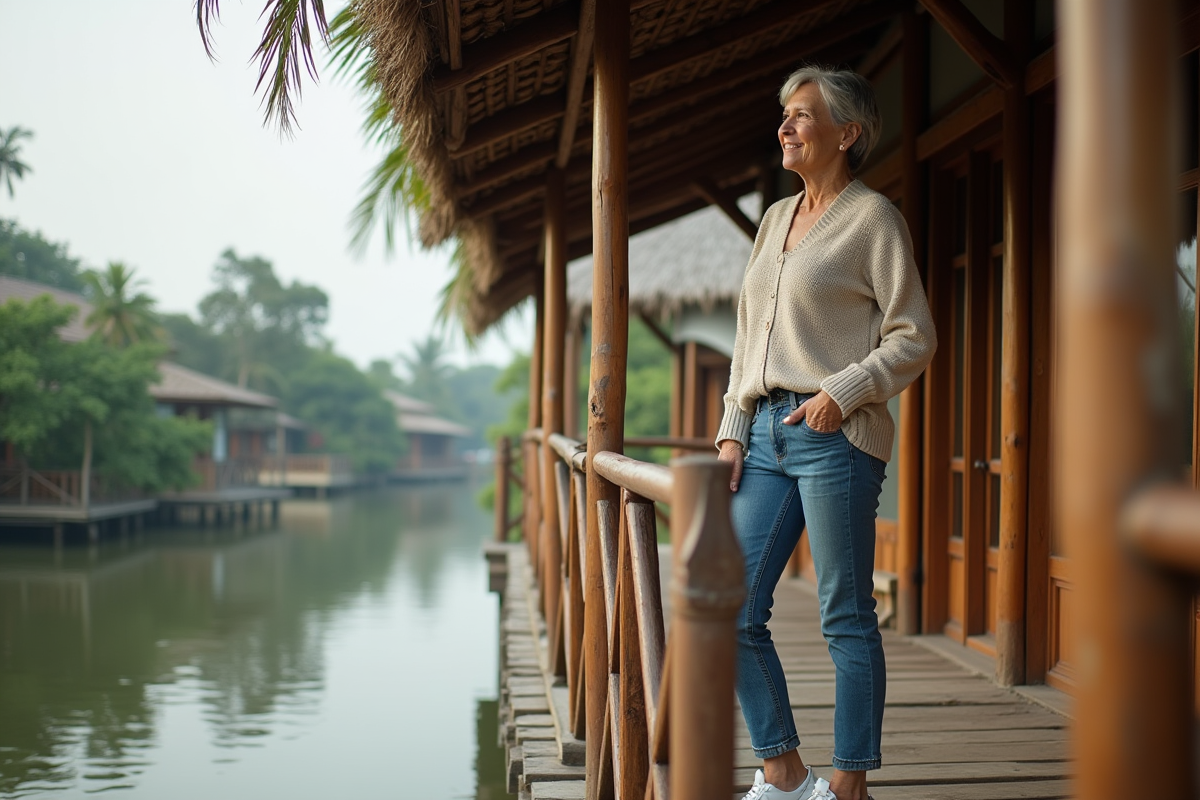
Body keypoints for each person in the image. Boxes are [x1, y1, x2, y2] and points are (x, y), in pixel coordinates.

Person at [715, 65, 937, 800]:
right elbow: (749, 339)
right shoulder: (775, 219)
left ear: (849, 133)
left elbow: (914, 337)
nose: (786, 125)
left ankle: (848, 785)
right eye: (784, 113)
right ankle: (783, 772)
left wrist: (843, 393)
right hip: (765, 437)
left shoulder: (874, 220)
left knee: (845, 613)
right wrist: (731, 433)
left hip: (832, 433)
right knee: (730, 605)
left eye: (803, 115)